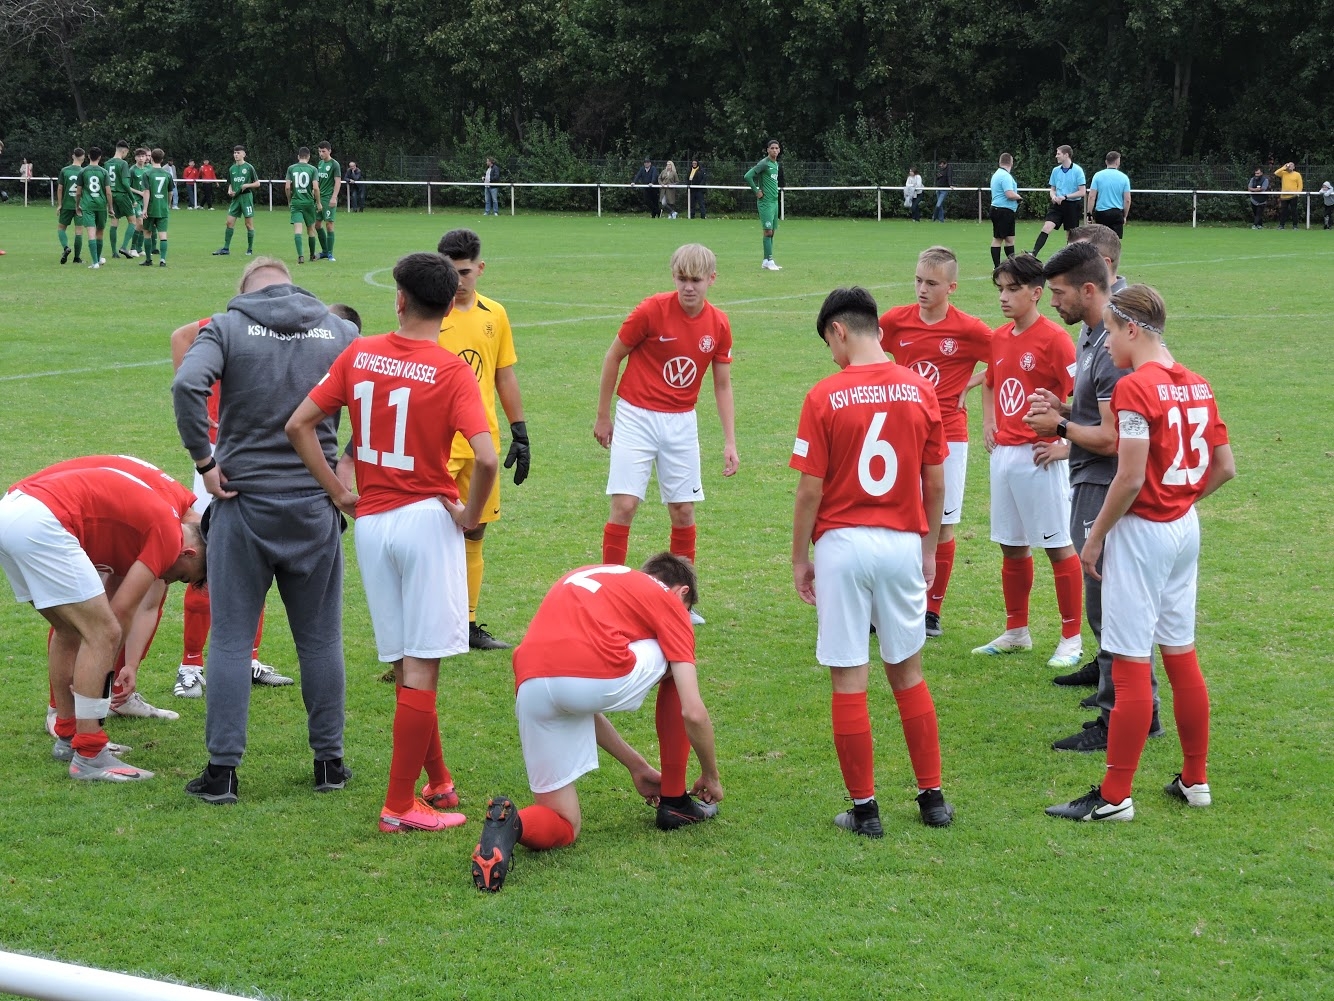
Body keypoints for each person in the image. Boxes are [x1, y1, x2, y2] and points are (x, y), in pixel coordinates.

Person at [287, 252, 497, 833]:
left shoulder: (359, 353)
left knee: (408, 661)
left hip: (373, 525)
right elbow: (485, 458)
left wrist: (338, 492)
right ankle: (399, 805)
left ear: (399, 299)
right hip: (426, 522)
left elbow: (298, 425)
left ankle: (438, 781)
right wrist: (469, 517)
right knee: (423, 666)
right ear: (450, 305)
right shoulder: (451, 370)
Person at [172, 256, 360, 805]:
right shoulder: (340, 331)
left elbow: (187, 383)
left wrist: (204, 462)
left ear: (246, 290)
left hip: (244, 504)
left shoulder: (228, 325)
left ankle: (222, 773)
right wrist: (347, 463)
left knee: (230, 639)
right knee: (320, 639)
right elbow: (379, 394)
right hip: (313, 506)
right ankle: (329, 763)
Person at [1046, 284, 1235, 822]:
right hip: (1183, 529)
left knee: (1129, 661)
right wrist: (1180, 501)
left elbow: (1128, 477)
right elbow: (1224, 467)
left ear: (1131, 328)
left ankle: (1114, 797)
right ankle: (1195, 779)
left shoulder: (1134, 387)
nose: (1106, 344)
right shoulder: (1198, 383)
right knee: (1180, 652)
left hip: (1142, 531)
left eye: (1109, 331)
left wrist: (1096, 536)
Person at [791, 287, 955, 837]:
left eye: (829, 344)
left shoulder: (824, 394)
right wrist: (928, 548)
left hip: (843, 544)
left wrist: (800, 557)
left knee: (848, 679)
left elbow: (809, 490)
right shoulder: (921, 388)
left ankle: (865, 811)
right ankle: (933, 800)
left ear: (838, 330)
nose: (832, 356)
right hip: (902, 542)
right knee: (908, 672)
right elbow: (936, 482)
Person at [470, 553, 722, 892]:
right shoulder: (668, 599)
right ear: (682, 593)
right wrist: (710, 775)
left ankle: (510, 824)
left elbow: (576, 697)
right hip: (582, 674)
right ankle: (676, 802)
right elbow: (693, 711)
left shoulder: (600, 576)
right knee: (676, 660)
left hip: (530, 682)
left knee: (564, 824)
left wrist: (637, 766)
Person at [1026, 240, 1164, 750]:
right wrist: (1063, 408)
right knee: (1104, 604)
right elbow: (1099, 415)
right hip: (1091, 480)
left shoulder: (1111, 348)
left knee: (1110, 604)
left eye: (1058, 293)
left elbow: (1111, 438)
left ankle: (1124, 718)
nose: (1052, 302)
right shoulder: (1092, 335)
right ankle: (1121, 700)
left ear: (1088, 289)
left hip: (1104, 483)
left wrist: (1060, 427)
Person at [0, 464, 207, 782]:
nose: (169, 580)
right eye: (182, 577)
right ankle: (90, 754)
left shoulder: (156, 519)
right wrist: (100, 675)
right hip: (42, 521)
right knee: (103, 631)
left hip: (11, 512)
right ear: (189, 553)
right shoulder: (168, 533)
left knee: (70, 629)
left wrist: (116, 665)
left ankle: (69, 735)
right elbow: (120, 613)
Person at [594, 243, 739, 626]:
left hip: (681, 421)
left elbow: (722, 385)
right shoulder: (650, 310)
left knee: (683, 511)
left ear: (711, 279)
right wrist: (603, 416)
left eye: (696, 280)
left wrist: (729, 441)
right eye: (682, 279)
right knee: (625, 505)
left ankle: (679, 603)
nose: (688, 287)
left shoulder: (719, 325)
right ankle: (609, 596)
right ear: (673, 276)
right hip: (636, 416)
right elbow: (613, 356)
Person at [169, 317, 293, 698]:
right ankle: (191, 666)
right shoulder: (230, 324)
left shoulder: (289, 324)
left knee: (258, 555)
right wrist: (196, 405)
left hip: (263, 453)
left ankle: (249, 659)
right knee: (208, 553)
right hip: (220, 453)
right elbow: (181, 336)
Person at [974, 253, 1083, 669]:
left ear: (1037, 293)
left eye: (1013, 289)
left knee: (1057, 546)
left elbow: (1084, 399)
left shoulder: (1055, 339)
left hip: (1041, 457)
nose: (1004, 297)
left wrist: (1066, 445)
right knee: (1012, 545)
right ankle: (1016, 631)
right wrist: (988, 421)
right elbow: (990, 382)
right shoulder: (999, 337)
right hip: (1005, 456)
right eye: (1000, 289)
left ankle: (1071, 638)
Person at [879, 247, 992, 638]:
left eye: (931, 283)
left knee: (942, 525)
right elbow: (863, 350)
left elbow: (1007, 356)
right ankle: (889, 605)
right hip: (901, 435)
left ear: (952, 287)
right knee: (896, 520)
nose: (921, 289)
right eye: (917, 280)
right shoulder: (895, 321)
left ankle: (931, 610)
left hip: (950, 436)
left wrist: (971, 382)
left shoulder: (970, 329)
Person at [425, 229, 530, 650]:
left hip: (482, 443)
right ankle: (430, 621)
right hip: (436, 444)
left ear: (480, 268)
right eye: (449, 272)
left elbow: (504, 374)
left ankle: (467, 625)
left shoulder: (495, 314)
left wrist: (520, 431)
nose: (457, 281)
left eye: (465, 272)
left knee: (475, 530)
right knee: (427, 532)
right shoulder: (429, 314)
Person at [1031, 145, 1086, 256]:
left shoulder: (1078, 170)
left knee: (1071, 235)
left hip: (1072, 205)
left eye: (1058, 154)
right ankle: (1033, 254)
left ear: (1066, 155)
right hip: (1058, 205)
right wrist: (1053, 196)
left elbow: (1082, 192)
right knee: (1047, 227)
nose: (1056, 156)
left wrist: (1065, 196)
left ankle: (1070, 258)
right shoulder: (1055, 171)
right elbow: (1052, 189)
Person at [212, 145, 259, 256]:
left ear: (244, 154)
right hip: (236, 199)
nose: (236, 155)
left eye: (238, 153)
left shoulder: (249, 167)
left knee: (248, 224)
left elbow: (257, 183)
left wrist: (246, 185)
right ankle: (226, 249)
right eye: (235, 153)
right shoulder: (232, 169)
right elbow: (230, 183)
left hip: (246, 198)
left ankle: (250, 249)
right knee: (229, 223)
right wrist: (230, 190)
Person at [745, 139, 783, 270]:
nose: (774, 150)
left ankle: (766, 260)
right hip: (765, 202)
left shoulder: (776, 164)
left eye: (776, 148)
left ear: (779, 150)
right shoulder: (764, 163)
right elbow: (748, 176)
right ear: (768, 150)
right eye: (772, 148)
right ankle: (770, 260)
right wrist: (756, 191)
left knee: (772, 232)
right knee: (767, 231)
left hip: (774, 202)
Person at [75, 147, 110, 269]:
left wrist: (77, 205)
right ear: (100, 157)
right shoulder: (104, 172)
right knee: (100, 232)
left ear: (88, 156)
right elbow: (108, 192)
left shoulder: (83, 172)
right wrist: (110, 207)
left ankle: (95, 262)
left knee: (91, 232)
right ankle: (98, 259)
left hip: (88, 205)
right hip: (101, 205)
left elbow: (78, 192)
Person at [139, 148, 173, 267]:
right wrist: (168, 204)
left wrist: (144, 209)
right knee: (163, 234)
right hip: (162, 208)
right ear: (162, 160)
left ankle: (148, 259)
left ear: (151, 158)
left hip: (151, 208)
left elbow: (146, 192)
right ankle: (162, 259)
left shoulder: (147, 174)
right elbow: (170, 192)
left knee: (147, 233)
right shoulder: (167, 174)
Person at [285, 146, 319, 264]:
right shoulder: (313, 169)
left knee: (298, 229)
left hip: (296, 202)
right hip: (309, 203)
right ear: (309, 157)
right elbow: (315, 188)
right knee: (311, 229)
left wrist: (289, 200)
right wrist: (318, 202)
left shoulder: (291, 168)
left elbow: (287, 187)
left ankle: (300, 256)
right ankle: (312, 255)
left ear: (298, 156)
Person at [1087, 151, 1132, 238]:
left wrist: (1089, 214)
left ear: (1106, 162)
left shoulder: (1097, 176)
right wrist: (1124, 215)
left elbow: (1092, 197)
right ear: (1117, 162)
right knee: (1115, 241)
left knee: (1100, 240)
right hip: (1116, 213)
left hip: (1101, 213)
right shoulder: (1124, 177)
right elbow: (1127, 200)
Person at [989, 153, 1021, 268]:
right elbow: (1009, 194)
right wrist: (1019, 197)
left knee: (1010, 238)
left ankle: (1012, 265)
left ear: (1000, 162)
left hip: (1002, 210)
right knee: (998, 239)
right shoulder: (1005, 176)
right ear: (1011, 163)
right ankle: (997, 267)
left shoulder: (997, 174)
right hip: (1002, 210)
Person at [56, 147, 86, 265]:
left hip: (66, 204)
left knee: (61, 228)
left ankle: (66, 247)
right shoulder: (84, 171)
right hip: (80, 206)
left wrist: (60, 204)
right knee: (78, 231)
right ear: (83, 158)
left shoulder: (64, 170)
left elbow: (60, 188)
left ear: (73, 156)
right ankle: (77, 258)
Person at [105, 141, 135, 259]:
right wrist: (133, 199)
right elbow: (125, 183)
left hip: (111, 195)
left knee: (114, 222)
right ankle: (124, 247)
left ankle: (114, 252)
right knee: (132, 221)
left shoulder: (107, 163)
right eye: (126, 153)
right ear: (124, 151)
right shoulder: (123, 163)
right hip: (122, 195)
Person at [314, 141, 341, 260]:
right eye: (319, 151)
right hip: (319, 198)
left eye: (323, 151)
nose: (321, 153)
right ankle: (324, 251)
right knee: (317, 224)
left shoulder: (335, 164)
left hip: (329, 198)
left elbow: (337, 182)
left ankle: (330, 253)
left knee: (329, 225)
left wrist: (334, 197)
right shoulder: (320, 164)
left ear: (329, 151)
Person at [127, 148, 151, 258]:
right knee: (139, 223)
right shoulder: (132, 170)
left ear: (146, 158)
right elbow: (127, 186)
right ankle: (132, 248)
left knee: (144, 224)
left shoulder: (148, 169)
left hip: (145, 201)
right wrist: (140, 193)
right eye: (139, 156)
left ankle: (139, 248)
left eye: (143, 156)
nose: (141, 158)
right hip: (136, 200)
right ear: (135, 158)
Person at [1274, 161, 1303, 230]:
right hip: (1284, 196)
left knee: (1294, 211)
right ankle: (1281, 225)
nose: (1290, 166)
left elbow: (1300, 185)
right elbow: (1276, 173)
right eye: (1289, 165)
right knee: (1283, 211)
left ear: (1294, 167)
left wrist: (1298, 193)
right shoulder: (1283, 173)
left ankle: (1295, 226)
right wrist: (1284, 167)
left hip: (1293, 196)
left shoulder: (1297, 174)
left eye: (1291, 165)